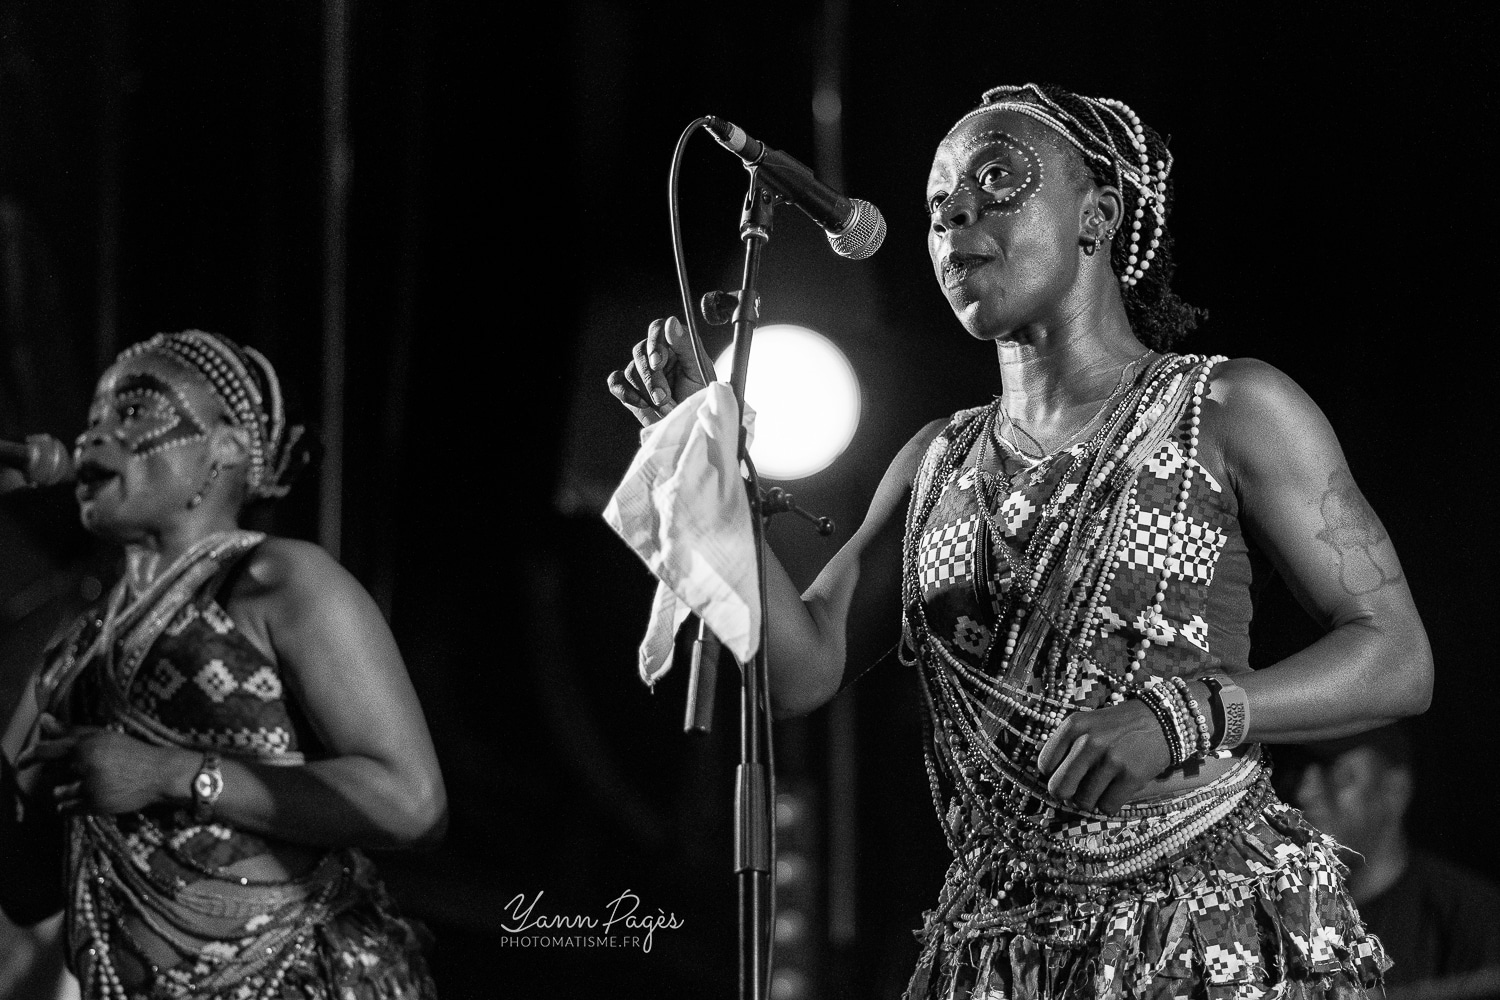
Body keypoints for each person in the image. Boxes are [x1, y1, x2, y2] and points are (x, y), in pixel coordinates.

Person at [609, 82, 1434, 998]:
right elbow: (802, 671)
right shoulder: (933, 461)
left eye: (997, 180)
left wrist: (1190, 713)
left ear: (1098, 216)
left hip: (1203, 930)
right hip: (1001, 955)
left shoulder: (1231, 408)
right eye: (936, 208)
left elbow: (1396, 656)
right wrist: (703, 459)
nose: (957, 214)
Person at [0, 330, 445, 999]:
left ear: (228, 446)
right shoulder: (73, 651)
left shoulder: (277, 579)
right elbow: (29, 893)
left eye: (133, 412)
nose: (92, 438)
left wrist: (170, 774)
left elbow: (412, 804)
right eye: (91, 421)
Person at [1280, 726, 1500, 999]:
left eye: (1337, 774)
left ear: (1396, 788)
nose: (1303, 792)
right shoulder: (1272, 917)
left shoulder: (1473, 926)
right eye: (1295, 770)